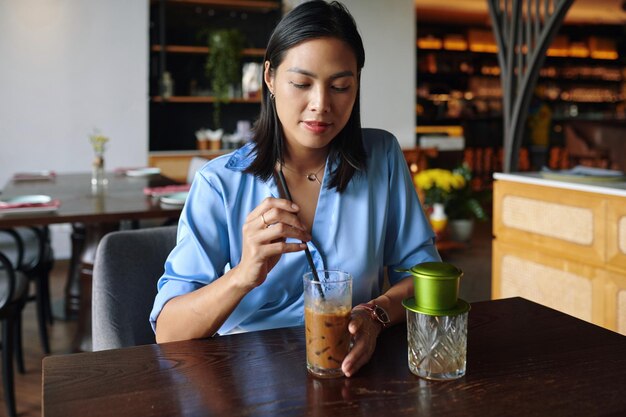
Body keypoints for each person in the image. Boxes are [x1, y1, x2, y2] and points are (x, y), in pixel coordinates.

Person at [150, 0, 440, 378]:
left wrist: (375, 314)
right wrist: (243, 273)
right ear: (269, 77)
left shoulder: (381, 158)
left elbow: (425, 278)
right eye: (302, 84)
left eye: (340, 86)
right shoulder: (219, 183)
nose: (321, 105)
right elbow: (169, 332)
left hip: (354, 376)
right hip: (245, 383)